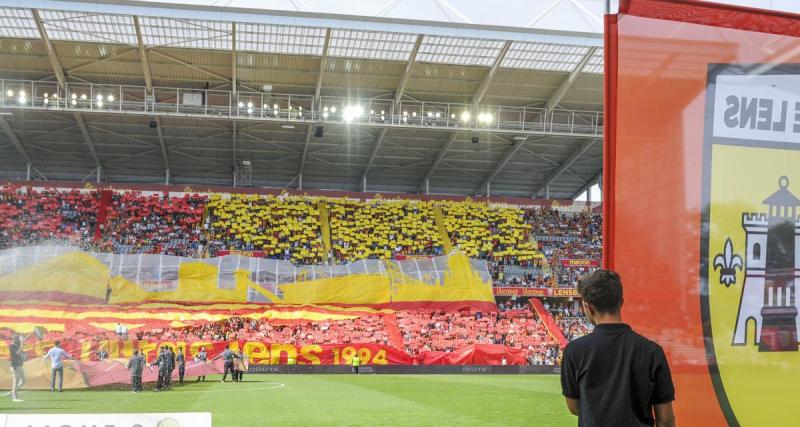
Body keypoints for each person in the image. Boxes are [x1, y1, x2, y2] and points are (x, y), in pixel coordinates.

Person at [560, 270, 675, 427]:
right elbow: (666, 420)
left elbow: (574, 407)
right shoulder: (652, 352)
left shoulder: (574, 351)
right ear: (621, 302)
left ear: (588, 307)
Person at [7, 333, 30, 402]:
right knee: (16, 382)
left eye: (18, 338)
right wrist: (22, 345)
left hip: (19, 366)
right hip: (15, 366)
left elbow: (24, 340)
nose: (18, 339)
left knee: (23, 381)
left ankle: (12, 392)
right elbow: (17, 353)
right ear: (14, 339)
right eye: (17, 338)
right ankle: (15, 398)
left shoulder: (17, 344)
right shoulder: (11, 346)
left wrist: (33, 333)